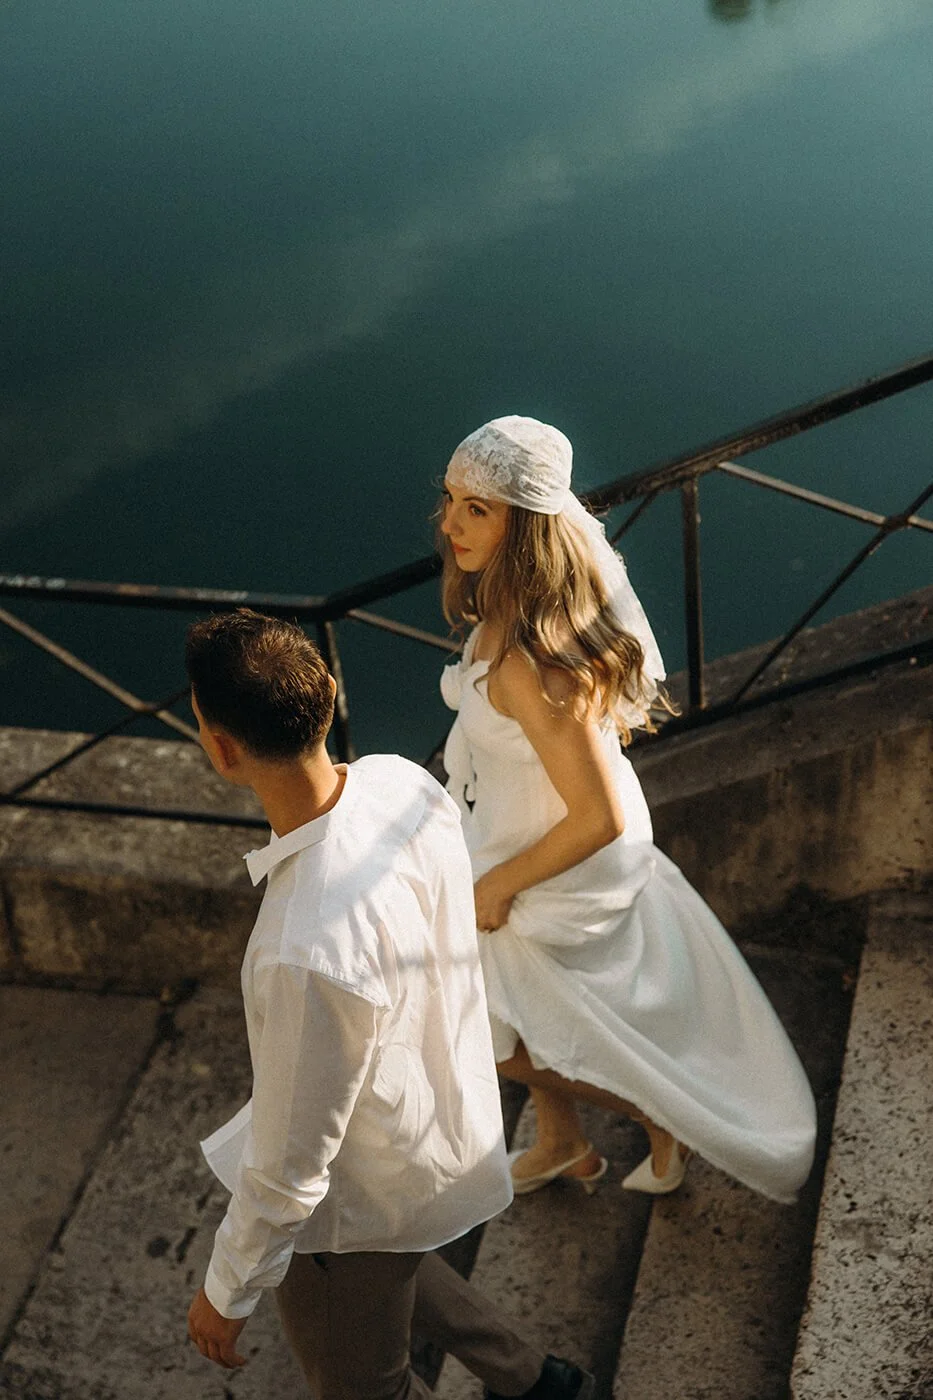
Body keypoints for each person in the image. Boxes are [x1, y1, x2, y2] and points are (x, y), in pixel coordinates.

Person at [183, 608, 594, 1400]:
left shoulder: (300, 948)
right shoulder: (401, 782)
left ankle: (533, 1381)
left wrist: (223, 1292)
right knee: (393, 1255)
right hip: (426, 1131)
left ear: (222, 750)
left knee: (364, 1385)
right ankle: (532, 1381)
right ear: (330, 694)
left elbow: (291, 1173)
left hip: (360, 1186)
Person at [437, 416, 817, 1201]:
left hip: (548, 856)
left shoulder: (530, 664)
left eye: (477, 508)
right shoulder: (507, 607)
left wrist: (497, 885)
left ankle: (660, 1114)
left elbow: (598, 816)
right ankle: (563, 1142)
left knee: (481, 1024)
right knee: (519, 1008)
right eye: (449, 501)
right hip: (511, 827)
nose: (448, 524)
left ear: (528, 525)